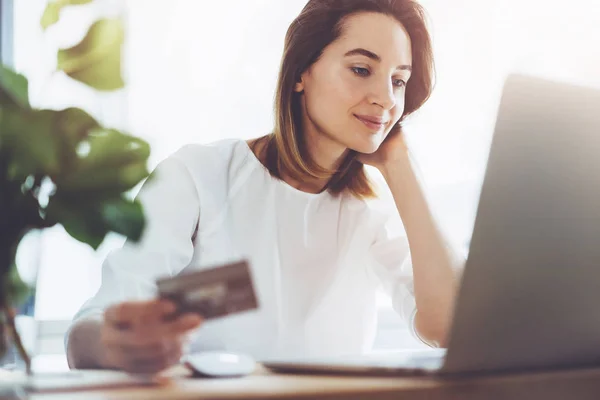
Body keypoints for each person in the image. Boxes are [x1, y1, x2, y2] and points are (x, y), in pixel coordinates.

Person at [66, 0, 463, 374]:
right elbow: (87, 331)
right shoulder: (198, 175)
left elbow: (447, 328)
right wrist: (116, 344)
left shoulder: (371, 210)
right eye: (361, 69)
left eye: (399, 81)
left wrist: (401, 167)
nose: (385, 99)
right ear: (300, 75)